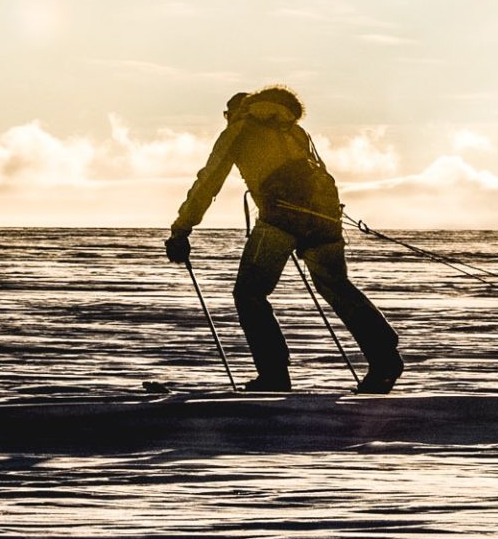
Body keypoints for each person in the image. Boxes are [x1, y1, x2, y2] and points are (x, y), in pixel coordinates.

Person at [164, 86, 402, 393]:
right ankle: (385, 357)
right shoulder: (294, 130)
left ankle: (274, 375)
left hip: (281, 218)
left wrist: (181, 229)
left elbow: (208, 181)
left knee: (250, 293)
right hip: (324, 218)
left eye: (227, 114)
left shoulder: (240, 129)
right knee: (336, 286)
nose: (227, 120)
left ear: (239, 111)